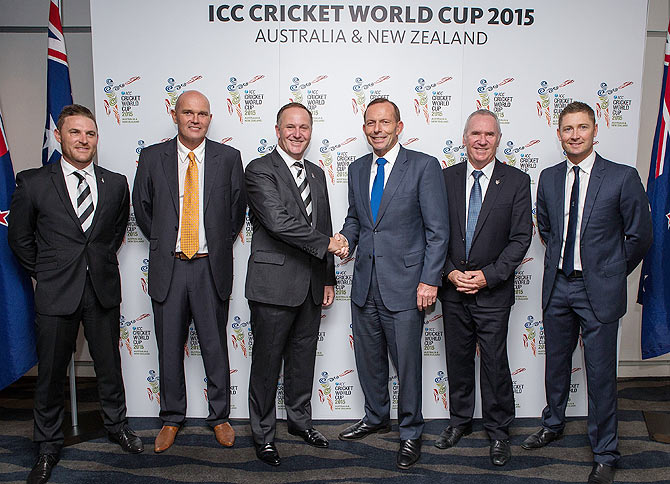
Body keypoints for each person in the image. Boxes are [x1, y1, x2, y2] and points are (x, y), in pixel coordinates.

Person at [8, 104, 141, 484]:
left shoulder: (115, 183)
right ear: (59, 136)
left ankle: (117, 426)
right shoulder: (32, 181)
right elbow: (19, 238)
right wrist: (47, 271)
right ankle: (48, 446)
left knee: (109, 367)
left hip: (101, 289)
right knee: (50, 374)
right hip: (55, 293)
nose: (84, 140)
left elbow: (114, 233)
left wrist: (91, 264)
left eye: (90, 134)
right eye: (75, 133)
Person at [522, 101, 652, 484]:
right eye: (567, 129)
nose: (575, 135)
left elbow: (640, 235)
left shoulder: (622, 177)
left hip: (599, 292)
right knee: (556, 365)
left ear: (595, 131)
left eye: (582, 127)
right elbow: (545, 228)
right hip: (558, 286)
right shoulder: (547, 178)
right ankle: (553, 423)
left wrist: (610, 273)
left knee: (600, 375)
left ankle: (606, 451)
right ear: (558, 133)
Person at [336, 98, 449, 469]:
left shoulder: (423, 166)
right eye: (371, 123)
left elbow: (438, 231)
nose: (377, 129)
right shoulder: (355, 169)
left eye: (385, 122)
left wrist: (429, 280)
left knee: (408, 364)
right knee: (369, 360)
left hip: (406, 285)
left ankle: (411, 431)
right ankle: (375, 416)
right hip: (365, 282)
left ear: (399, 126)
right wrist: (345, 240)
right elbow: (357, 219)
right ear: (364, 127)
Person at [132, 90, 246, 453]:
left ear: (210, 118)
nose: (195, 119)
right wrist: (170, 241)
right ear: (175, 115)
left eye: (202, 114)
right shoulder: (152, 157)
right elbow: (143, 207)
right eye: (188, 113)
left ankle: (220, 416)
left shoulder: (229, 158)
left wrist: (210, 245)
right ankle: (171, 417)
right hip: (171, 266)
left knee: (215, 347)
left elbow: (236, 211)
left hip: (211, 268)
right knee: (169, 348)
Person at [245, 102, 342, 466]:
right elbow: (277, 221)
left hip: (312, 286)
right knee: (267, 364)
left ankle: (300, 422)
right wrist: (328, 244)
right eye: (291, 127)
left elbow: (324, 225)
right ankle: (263, 434)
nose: (298, 134)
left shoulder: (316, 173)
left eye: (304, 127)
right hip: (273, 285)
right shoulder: (259, 170)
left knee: (302, 362)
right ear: (277, 129)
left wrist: (329, 275)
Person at [435, 109, 532, 467]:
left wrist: (488, 275)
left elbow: (521, 238)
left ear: (498, 140)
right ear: (464, 138)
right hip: (452, 289)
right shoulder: (444, 179)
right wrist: (448, 273)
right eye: (475, 133)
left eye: (489, 135)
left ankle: (499, 431)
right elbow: (434, 233)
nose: (481, 140)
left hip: (493, 292)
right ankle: (459, 422)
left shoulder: (517, 181)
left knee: (494, 363)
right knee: (458, 361)